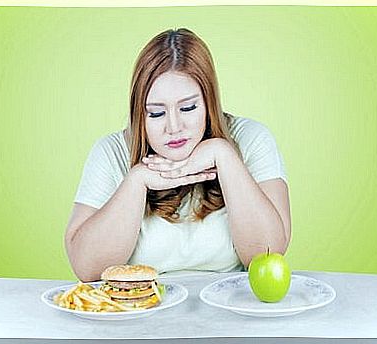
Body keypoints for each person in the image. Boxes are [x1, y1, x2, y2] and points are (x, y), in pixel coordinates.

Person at [65, 28, 291, 282]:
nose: (173, 127)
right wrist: (136, 181)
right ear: (140, 113)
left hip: (229, 309)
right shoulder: (111, 151)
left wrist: (224, 155)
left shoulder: (251, 138)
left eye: (188, 107)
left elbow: (268, 253)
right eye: (157, 113)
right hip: (140, 310)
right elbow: (87, 270)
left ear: (209, 103)